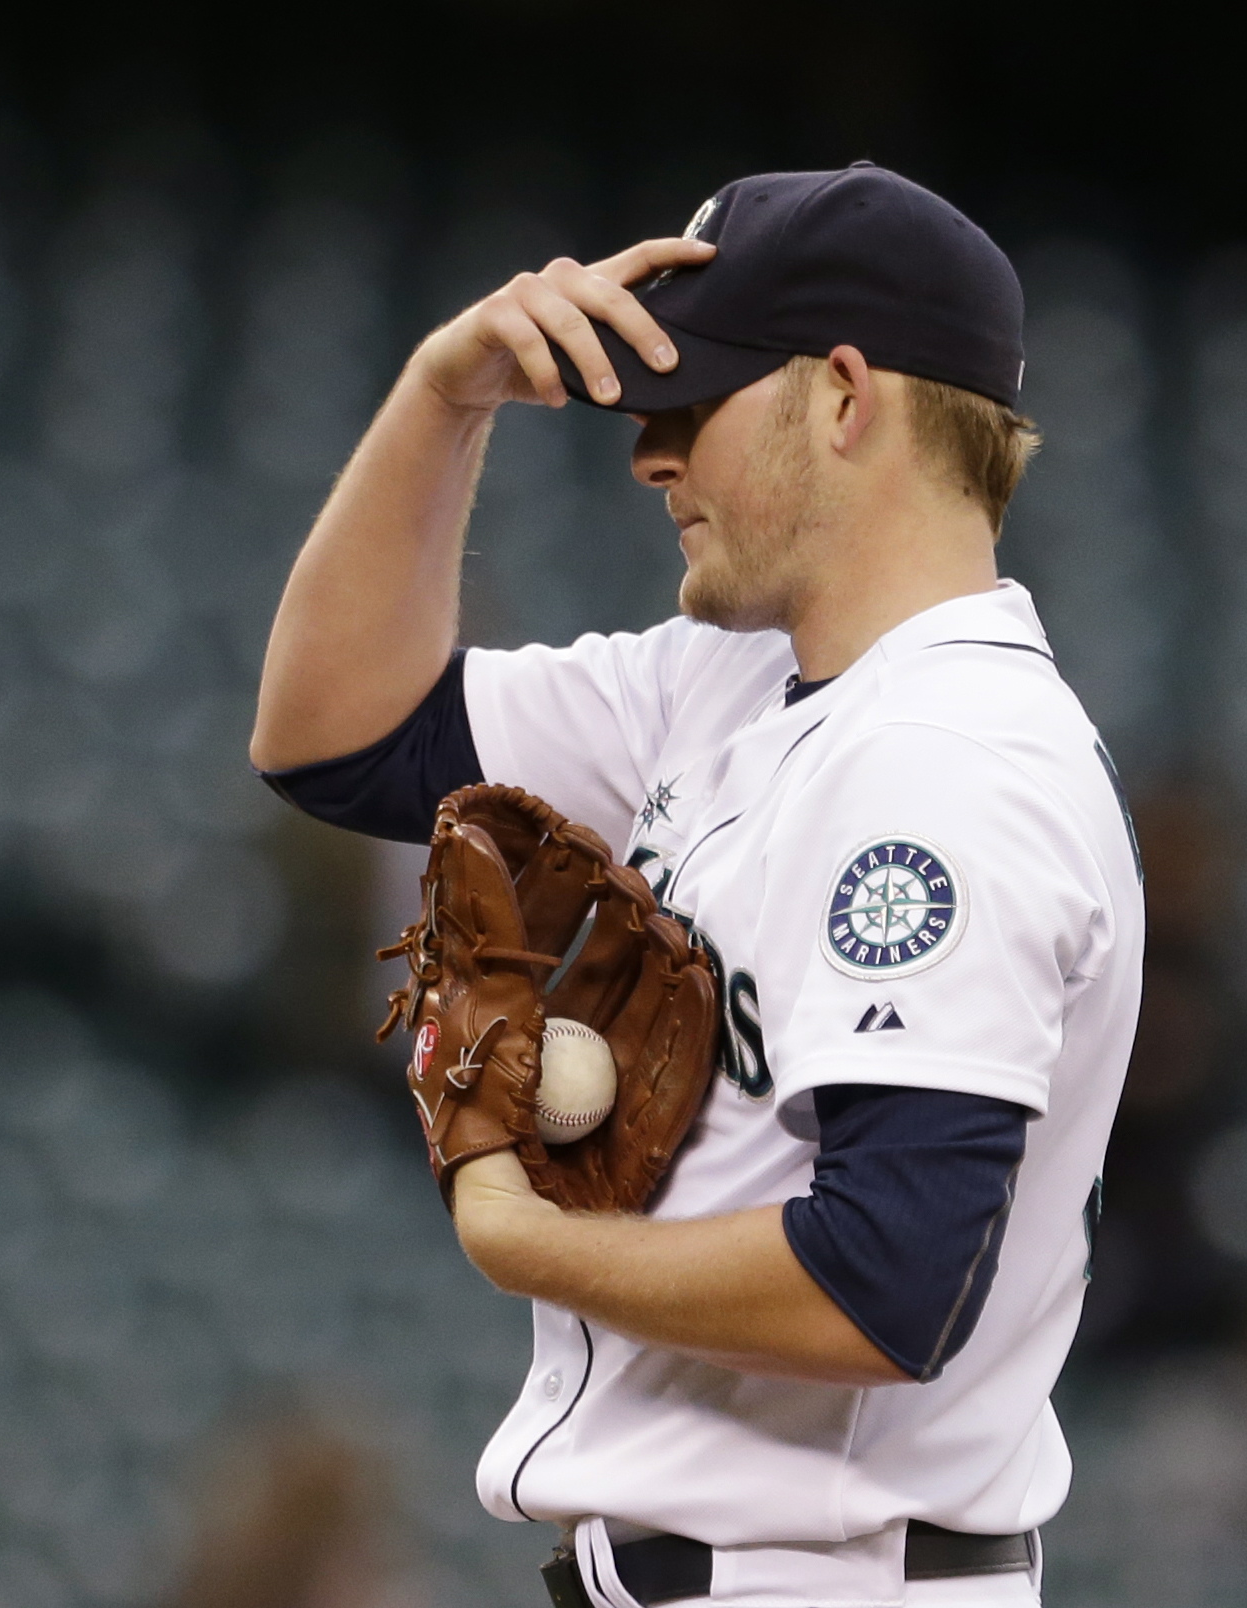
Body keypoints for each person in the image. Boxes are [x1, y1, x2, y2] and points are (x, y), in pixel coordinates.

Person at [251, 163, 1144, 1608]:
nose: (650, 454)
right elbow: (339, 743)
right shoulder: (734, 682)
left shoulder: (950, 762)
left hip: (823, 1579)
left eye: (696, 397)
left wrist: (526, 1238)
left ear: (846, 398)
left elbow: (882, 1278)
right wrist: (440, 398)